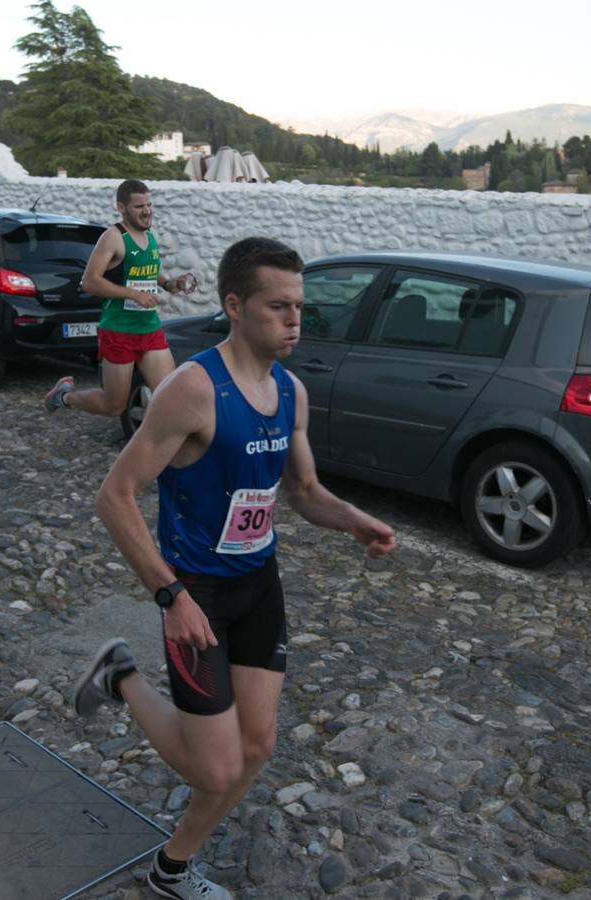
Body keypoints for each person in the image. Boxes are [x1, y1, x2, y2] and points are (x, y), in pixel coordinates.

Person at [74, 237, 397, 899]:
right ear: (234, 306)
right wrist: (169, 596)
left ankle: (171, 868)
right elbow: (115, 496)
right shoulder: (193, 390)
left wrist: (352, 518)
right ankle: (121, 676)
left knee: (258, 746)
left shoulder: (290, 391)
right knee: (217, 771)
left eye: (299, 306)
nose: (295, 319)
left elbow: (304, 493)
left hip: (258, 586)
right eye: (278, 306)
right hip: (196, 596)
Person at [43, 179, 193, 422]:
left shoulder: (148, 235)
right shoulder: (113, 237)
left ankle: (156, 447)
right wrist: (133, 294)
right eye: (139, 206)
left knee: (170, 395)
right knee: (113, 406)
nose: (147, 211)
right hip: (119, 331)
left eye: (149, 204)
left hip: (149, 328)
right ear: (121, 208)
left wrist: (169, 284)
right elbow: (89, 282)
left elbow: (146, 271)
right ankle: (65, 397)